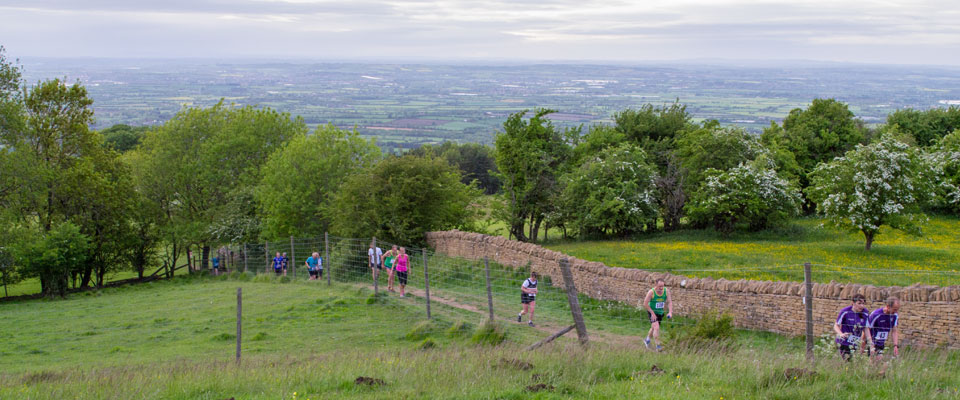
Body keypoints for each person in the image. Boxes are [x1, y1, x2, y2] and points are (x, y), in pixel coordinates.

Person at [834, 293, 870, 361]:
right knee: (846, 361)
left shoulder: (865, 313)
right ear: (853, 303)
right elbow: (836, 325)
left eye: (863, 303)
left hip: (855, 342)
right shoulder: (845, 311)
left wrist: (870, 341)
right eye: (859, 303)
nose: (862, 306)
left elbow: (866, 328)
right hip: (844, 341)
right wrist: (841, 334)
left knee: (851, 361)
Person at [642, 278, 673, 351]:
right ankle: (658, 346)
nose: (661, 288)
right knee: (656, 328)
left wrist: (670, 312)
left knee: (653, 328)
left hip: (660, 312)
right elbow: (645, 304)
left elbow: (669, 302)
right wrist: (652, 313)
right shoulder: (651, 292)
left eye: (662, 286)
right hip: (651, 311)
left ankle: (647, 340)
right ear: (655, 285)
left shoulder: (666, 291)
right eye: (659, 286)